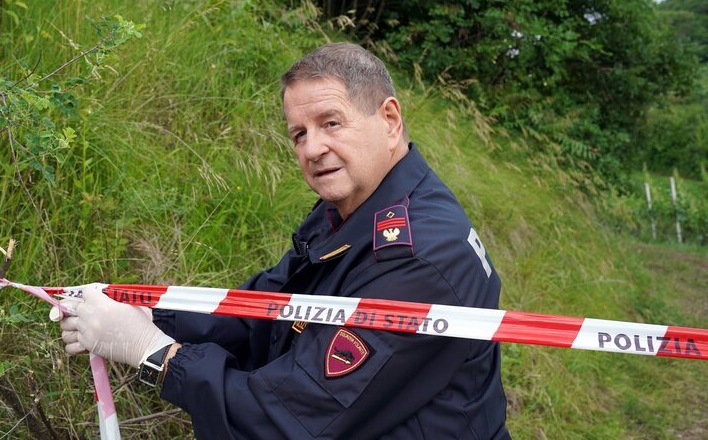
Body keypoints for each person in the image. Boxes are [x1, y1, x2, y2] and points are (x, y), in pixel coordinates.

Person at [61, 42, 511, 439]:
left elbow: (290, 419)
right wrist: (151, 312)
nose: (312, 149)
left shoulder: (418, 259)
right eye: (299, 133)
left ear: (389, 120)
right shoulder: (353, 207)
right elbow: (264, 311)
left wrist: (154, 352)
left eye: (331, 122)